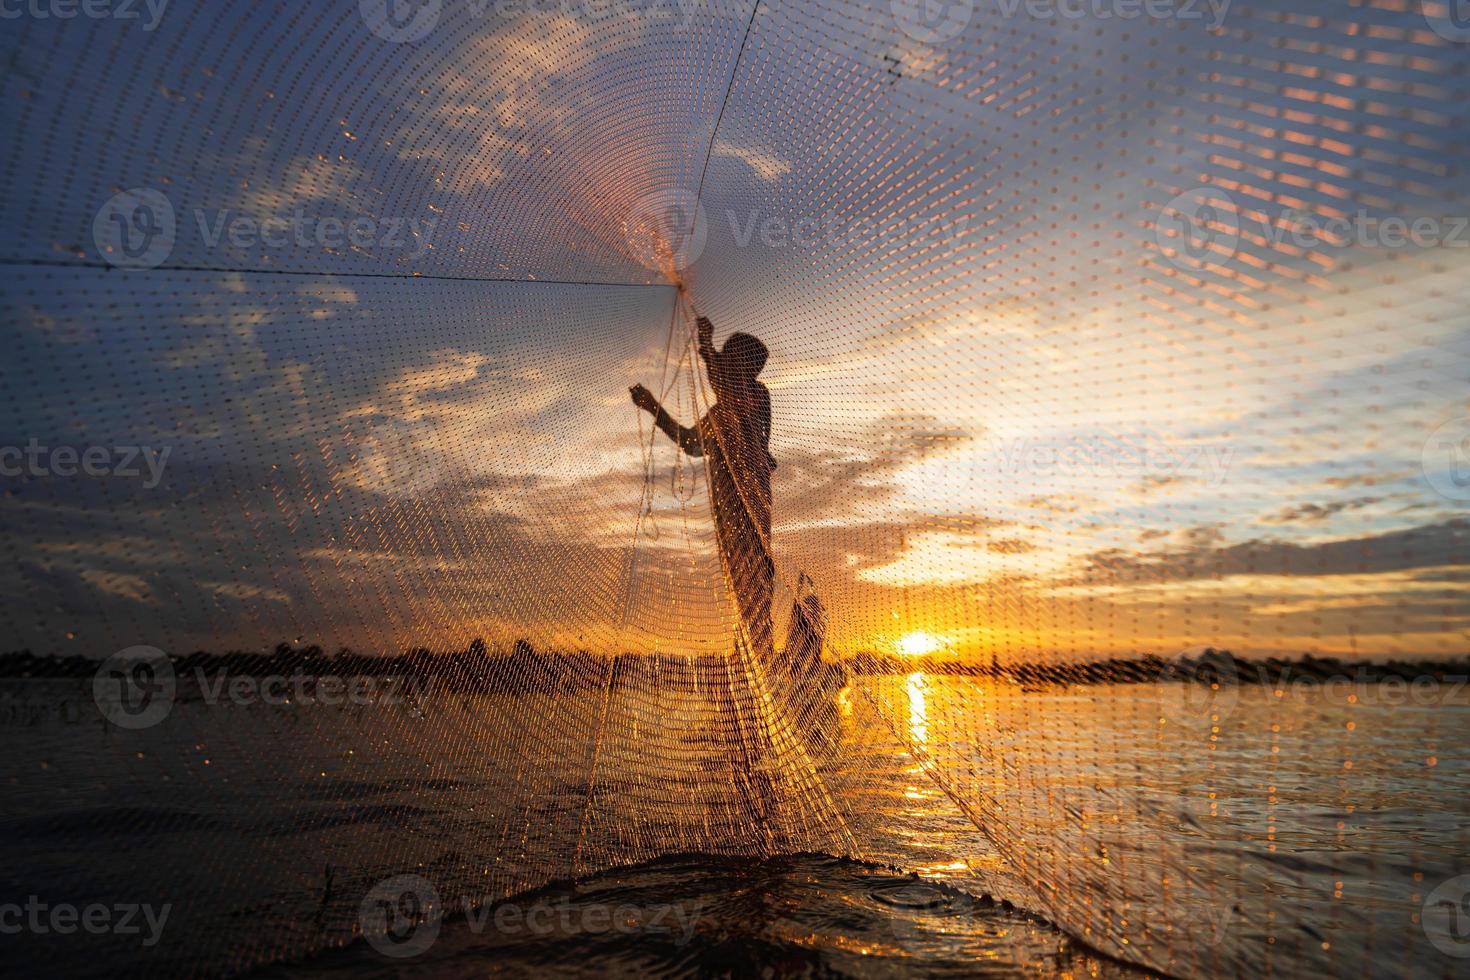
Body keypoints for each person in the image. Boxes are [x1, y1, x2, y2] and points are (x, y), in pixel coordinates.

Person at [631, 313, 776, 661]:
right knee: (741, 583)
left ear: (745, 369)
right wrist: (654, 408)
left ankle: (762, 653)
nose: (723, 364)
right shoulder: (720, 411)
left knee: (756, 574)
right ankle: (754, 656)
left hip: (750, 503)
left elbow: (728, 387)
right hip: (726, 508)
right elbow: (691, 444)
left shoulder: (756, 397)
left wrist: (706, 345)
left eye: (729, 358)